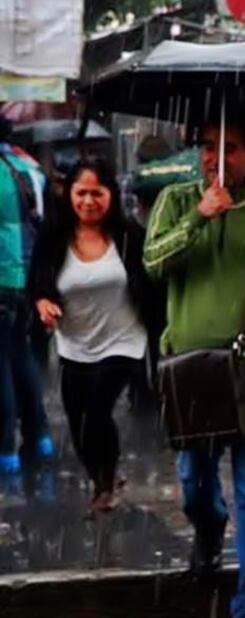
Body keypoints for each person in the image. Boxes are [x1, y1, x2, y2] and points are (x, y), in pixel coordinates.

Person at [143, 116, 245, 618]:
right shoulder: (174, 202)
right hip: (190, 370)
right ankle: (210, 528)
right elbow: (152, 262)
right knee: (194, 483)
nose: (217, 158)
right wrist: (198, 216)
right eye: (208, 147)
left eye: (230, 148)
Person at [28, 160, 152, 513]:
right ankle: (101, 475)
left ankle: (106, 482)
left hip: (124, 340)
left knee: (97, 413)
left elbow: (151, 280)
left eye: (97, 193)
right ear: (69, 195)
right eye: (81, 193)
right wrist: (43, 302)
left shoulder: (129, 236)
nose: (88, 201)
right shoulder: (54, 238)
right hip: (74, 343)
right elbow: (39, 280)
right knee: (79, 426)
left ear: (111, 194)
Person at [0, 118, 53, 475]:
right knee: (20, 356)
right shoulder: (29, 168)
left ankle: (5, 450)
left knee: (0, 364)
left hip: (2, 277)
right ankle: (40, 436)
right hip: (27, 281)